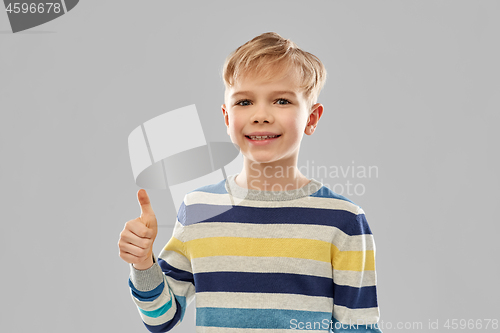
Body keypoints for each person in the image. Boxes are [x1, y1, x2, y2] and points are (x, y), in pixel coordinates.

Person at [118, 32, 383, 332]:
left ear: (312, 118)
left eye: (282, 100)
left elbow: (358, 328)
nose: (260, 115)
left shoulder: (344, 221)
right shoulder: (198, 209)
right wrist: (143, 264)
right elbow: (160, 319)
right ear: (227, 118)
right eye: (244, 101)